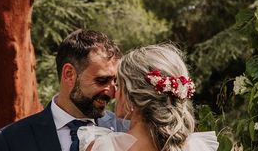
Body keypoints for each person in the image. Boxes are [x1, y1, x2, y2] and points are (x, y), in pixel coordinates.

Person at [0, 29, 127, 151]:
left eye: (115, 81)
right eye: (102, 80)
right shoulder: (12, 140)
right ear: (69, 74)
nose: (113, 92)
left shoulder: (125, 130)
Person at [78, 43, 218, 151]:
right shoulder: (197, 147)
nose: (114, 93)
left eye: (118, 84)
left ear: (131, 95)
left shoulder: (105, 147)